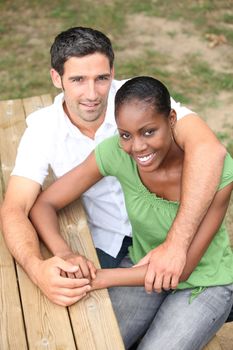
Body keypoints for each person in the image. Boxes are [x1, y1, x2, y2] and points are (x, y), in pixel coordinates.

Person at [0, 27, 227, 307]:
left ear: (113, 72)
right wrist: (39, 267)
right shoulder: (43, 129)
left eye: (102, 78)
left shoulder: (138, 100)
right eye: (78, 80)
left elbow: (210, 150)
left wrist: (175, 244)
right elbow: (15, 208)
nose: (92, 94)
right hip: (105, 242)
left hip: (167, 234)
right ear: (56, 78)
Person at [30, 76, 233, 350]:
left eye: (149, 131)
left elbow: (180, 268)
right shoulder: (117, 153)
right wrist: (64, 253)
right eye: (126, 134)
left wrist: (96, 278)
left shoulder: (214, 173)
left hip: (204, 282)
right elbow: (44, 204)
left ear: (172, 120)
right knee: (95, 342)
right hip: (139, 267)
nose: (137, 147)